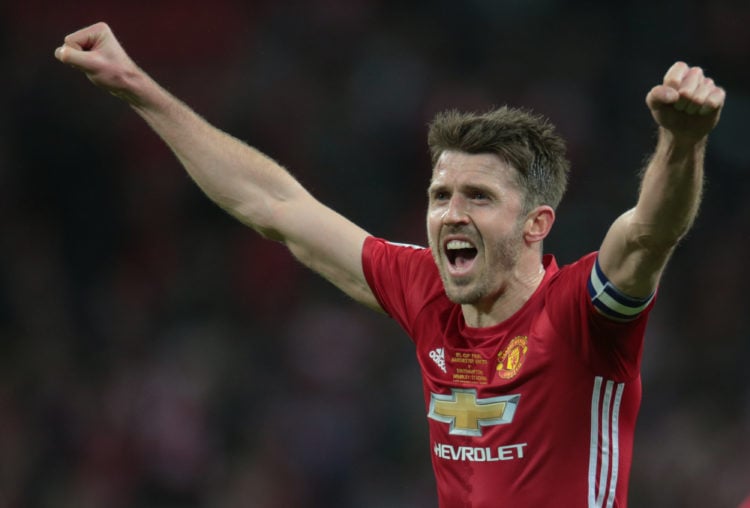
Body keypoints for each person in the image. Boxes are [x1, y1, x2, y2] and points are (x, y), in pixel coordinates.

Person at [55, 22, 725, 508]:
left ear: (536, 225)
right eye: (440, 196)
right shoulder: (425, 290)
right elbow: (275, 205)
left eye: (479, 197)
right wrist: (137, 87)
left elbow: (649, 233)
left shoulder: (581, 315)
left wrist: (681, 141)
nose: (450, 214)